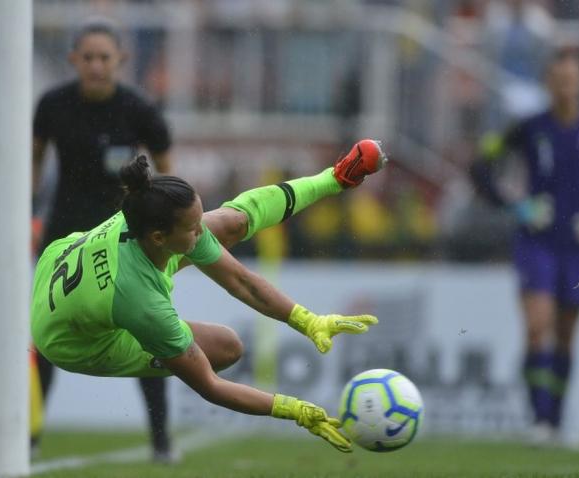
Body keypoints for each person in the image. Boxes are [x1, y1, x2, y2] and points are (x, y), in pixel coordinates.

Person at [30, 139, 388, 452]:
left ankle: (336, 177)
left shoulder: (145, 211)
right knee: (226, 348)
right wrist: (294, 410)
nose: (200, 230)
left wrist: (309, 321)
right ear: (159, 237)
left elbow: (242, 282)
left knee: (231, 223)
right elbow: (210, 386)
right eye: (192, 227)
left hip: (63, 263)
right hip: (72, 343)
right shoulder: (142, 304)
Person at [471, 51, 579, 448]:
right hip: (537, 242)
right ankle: (539, 420)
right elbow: (481, 166)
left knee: (565, 335)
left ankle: (557, 422)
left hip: (578, 245)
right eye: (558, 80)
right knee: (537, 325)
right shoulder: (527, 128)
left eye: (571, 80)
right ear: (548, 84)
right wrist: (514, 205)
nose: (565, 87)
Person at [31, 19, 174, 461]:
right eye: (87, 57)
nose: (95, 65)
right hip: (63, 239)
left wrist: (165, 230)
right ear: (74, 60)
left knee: (148, 334)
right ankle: (29, 438)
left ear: (120, 60)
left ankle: (161, 443)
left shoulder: (139, 110)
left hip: (122, 240)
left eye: (104, 57)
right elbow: (31, 163)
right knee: (48, 338)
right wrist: (25, 216)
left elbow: (169, 174)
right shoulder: (52, 105)